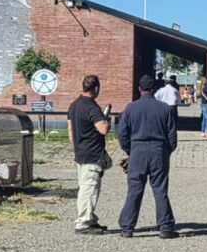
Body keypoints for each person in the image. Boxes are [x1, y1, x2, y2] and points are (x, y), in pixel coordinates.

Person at [117, 74, 178, 239]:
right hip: (159, 150)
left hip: (137, 150)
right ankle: (165, 227)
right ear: (154, 89)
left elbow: (122, 134)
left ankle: (127, 227)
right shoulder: (165, 108)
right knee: (160, 189)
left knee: (135, 189)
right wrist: (167, 151)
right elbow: (172, 136)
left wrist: (129, 150)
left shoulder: (130, 108)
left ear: (139, 89)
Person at [67, 75, 111, 235]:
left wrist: (75, 149)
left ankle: (90, 218)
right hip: (92, 153)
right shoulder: (92, 107)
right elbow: (103, 129)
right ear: (96, 88)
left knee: (85, 186)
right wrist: (107, 121)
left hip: (80, 153)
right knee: (89, 188)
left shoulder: (74, 105)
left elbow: (70, 130)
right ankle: (83, 222)